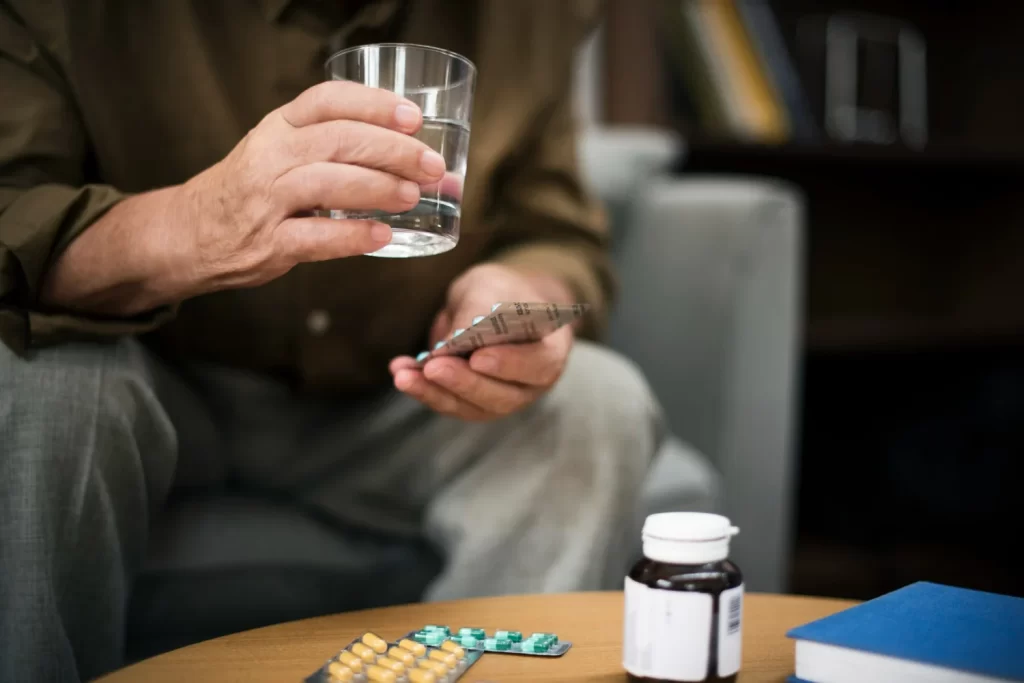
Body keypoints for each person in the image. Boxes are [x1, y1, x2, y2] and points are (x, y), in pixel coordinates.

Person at [0, 0, 663, 680]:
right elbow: (10, 210)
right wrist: (190, 226)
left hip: (399, 396)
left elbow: (554, 229)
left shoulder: (533, 15)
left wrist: (516, 290)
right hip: (154, 386)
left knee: (598, 401)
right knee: (39, 378)